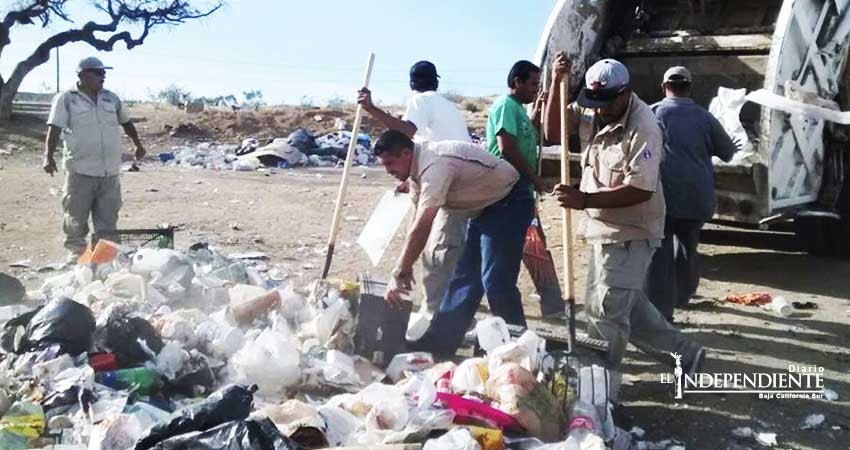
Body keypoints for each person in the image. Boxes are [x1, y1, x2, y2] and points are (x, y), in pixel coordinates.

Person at [543, 53, 705, 384]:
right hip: (601, 226)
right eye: (595, 102)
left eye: (607, 102)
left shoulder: (644, 125)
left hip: (632, 229)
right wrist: (556, 83)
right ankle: (685, 355)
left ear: (625, 92)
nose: (599, 109)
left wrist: (584, 199)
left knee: (606, 310)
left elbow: (640, 189)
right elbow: (553, 131)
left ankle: (600, 386)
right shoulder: (592, 104)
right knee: (623, 304)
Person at [373, 130, 532, 357]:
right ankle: (438, 344)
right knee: (465, 278)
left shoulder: (435, 165)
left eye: (390, 163)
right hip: (483, 208)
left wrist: (401, 271)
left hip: (510, 201)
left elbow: (424, 224)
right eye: (383, 165)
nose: (388, 170)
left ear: (406, 153)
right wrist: (402, 267)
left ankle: (518, 347)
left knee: (495, 280)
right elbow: (415, 223)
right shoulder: (416, 171)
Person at [358, 61, 471, 313]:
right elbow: (424, 145)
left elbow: (407, 132)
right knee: (437, 244)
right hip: (451, 177)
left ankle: (436, 313)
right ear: (436, 81)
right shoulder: (448, 106)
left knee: (437, 248)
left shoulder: (420, 101)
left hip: (445, 181)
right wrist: (410, 181)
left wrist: (370, 108)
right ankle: (442, 301)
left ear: (411, 83)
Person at [646, 66, 739, 321]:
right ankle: (684, 295)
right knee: (689, 247)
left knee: (661, 253)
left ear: (663, 86)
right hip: (697, 198)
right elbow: (728, 153)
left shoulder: (652, 113)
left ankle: (662, 312)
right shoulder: (705, 117)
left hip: (663, 199)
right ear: (689, 87)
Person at [44, 57, 145, 263]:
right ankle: (77, 257)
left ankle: (103, 260)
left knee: (108, 219)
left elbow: (126, 122)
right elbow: (54, 127)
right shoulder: (67, 98)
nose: (103, 76)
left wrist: (138, 144)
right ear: (82, 75)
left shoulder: (111, 98)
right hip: (80, 170)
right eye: (98, 72)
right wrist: (48, 156)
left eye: (103, 72)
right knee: (76, 216)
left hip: (109, 172)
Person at [486, 60, 546, 195]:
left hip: (518, 186)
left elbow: (525, 132)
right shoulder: (506, 105)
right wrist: (533, 177)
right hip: (506, 187)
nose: (537, 89)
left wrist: (538, 109)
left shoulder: (518, 108)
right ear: (518, 82)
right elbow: (507, 149)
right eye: (534, 84)